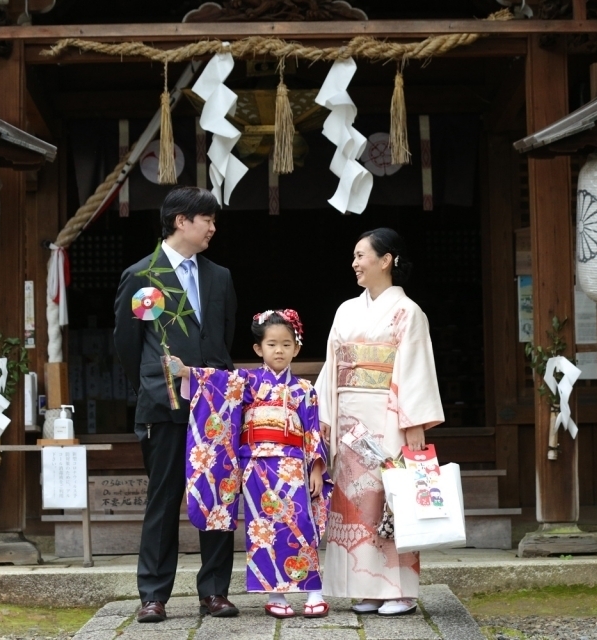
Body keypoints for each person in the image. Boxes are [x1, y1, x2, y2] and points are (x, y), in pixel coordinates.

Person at [113, 186, 238, 623]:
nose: (212, 228)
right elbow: (128, 347)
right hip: (163, 405)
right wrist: (151, 385)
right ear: (181, 221)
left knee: (217, 496)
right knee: (163, 499)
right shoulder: (141, 275)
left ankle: (215, 591)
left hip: (213, 406)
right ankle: (153, 594)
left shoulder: (219, 276)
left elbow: (222, 338)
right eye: (207, 219)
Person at [314, 228, 444, 617]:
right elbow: (332, 366)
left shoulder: (409, 312)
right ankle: (364, 587)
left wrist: (413, 422)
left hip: (387, 416)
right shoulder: (346, 310)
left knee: (390, 499)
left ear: (386, 260)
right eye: (354, 257)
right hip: (349, 417)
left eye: (361, 255)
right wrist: (323, 414)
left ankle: (399, 590)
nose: (354, 263)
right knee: (354, 504)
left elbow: (416, 368)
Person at [170, 309, 333, 619]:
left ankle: (314, 591)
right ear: (259, 349)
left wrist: (315, 468)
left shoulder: (304, 390)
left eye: (287, 344)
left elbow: (312, 430)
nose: (279, 350)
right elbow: (216, 384)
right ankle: (276, 594)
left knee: (302, 526)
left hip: (294, 465)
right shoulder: (246, 382)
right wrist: (186, 373)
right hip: (256, 466)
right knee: (264, 531)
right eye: (272, 344)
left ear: (296, 348)